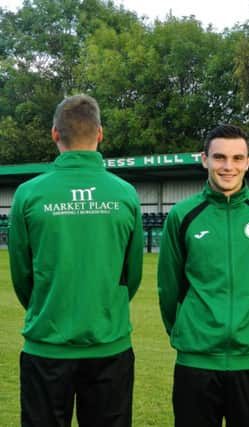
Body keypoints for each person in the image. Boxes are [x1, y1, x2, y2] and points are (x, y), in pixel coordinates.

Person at [8, 94, 144, 427]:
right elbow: (133, 273)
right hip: (109, 346)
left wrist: (47, 306)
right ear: (100, 134)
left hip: (46, 349)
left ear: (55, 134)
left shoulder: (28, 194)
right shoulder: (125, 193)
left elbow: (22, 273)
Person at [157, 124, 249, 427]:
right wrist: (186, 330)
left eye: (236, 158)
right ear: (204, 159)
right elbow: (168, 287)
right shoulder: (182, 215)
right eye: (219, 157)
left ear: (248, 162)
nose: (228, 167)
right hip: (196, 360)